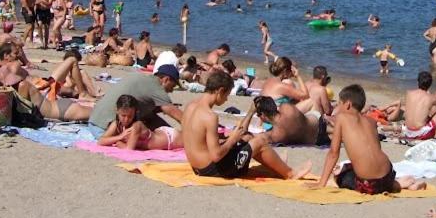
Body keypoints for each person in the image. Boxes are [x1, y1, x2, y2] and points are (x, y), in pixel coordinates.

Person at [182, 71, 311, 180]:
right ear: (220, 91)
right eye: (226, 95)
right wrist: (232, 139)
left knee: (247, 138)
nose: (226, 99)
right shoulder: (210, 116)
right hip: (212, 171)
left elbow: (198, 140)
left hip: (197, 167)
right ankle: (290, 174)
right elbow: (216, 155)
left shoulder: (190, 106)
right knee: (260, 141)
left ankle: (277, 164)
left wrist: (250, 113)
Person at [307, 84, 423, 194]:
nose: (337, 106)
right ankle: (395, 184)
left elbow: (333, 153)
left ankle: (397, 185)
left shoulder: (342, 118)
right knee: (351, 167)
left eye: (339, 103)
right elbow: (373, 152)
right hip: (388, 174)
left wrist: (321, 183)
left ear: (347, 104)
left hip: (370, 184)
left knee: (340, 176)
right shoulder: (371, 121)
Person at [89, 65, 183, 133]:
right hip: (105, 130)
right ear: (166, 79)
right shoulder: (157, 90)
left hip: (94, 121)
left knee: (151, 118)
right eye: (173, 86)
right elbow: (182, 118)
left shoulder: (139, 77)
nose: (171, 91)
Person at [99, 94, 180, 150]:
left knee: (191, 141)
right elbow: (101, 141)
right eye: (123, 115)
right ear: (117, 111)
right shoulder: (117, 123)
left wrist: (118, 142)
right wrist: (120, 137)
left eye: (130, 116)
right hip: (161, 134)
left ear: (135, 113)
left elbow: (128, 149)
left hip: (170, 138)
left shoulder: (136, 126)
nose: (126, 119)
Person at [253, 96, 331, 147]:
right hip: (317, 121)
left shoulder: (276, 135)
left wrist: (250, 113)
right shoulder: (286, 107)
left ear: (262, 115)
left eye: (258, 115)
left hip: (316, 140)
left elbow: (245, 135)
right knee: (312, 101)